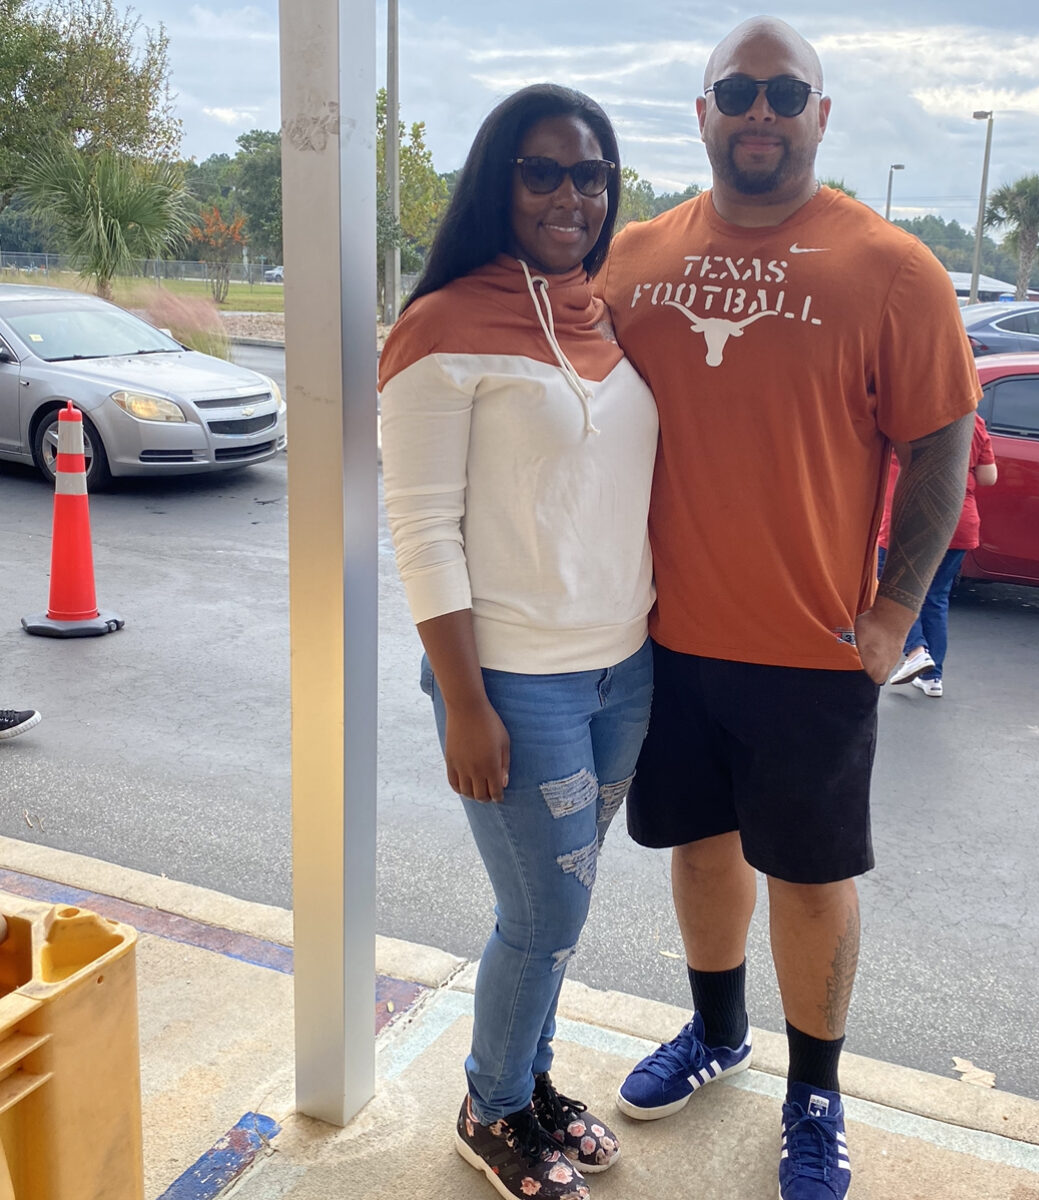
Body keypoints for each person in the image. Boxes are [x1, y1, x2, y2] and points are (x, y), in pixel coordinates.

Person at [597, 17, 979, 1200]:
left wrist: (892, 616)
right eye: (736, 90)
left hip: (813, 654)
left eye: (784, 92)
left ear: (820, 114)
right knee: (701, 854)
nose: (758, 110)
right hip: (661, 641)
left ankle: (816, 1094)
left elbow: (941, 441)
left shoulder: (890, 267)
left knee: (810, 879)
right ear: (702, 113)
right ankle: (717, 1034)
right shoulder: (635, 258)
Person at [378, 85, 658, 1200]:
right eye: (543, 171)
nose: (570, 195)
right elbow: (422, 532)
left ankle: (531, 1083)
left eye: (590, 174)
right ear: (499, 182)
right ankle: (489, 1108)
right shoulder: (442, 326)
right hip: (511, 684)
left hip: (620, 672)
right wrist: (468, 701)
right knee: (542, 915)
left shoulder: (601, 314)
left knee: (566, 909)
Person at [884, 415, 997, 697]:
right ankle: (933, 678)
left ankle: (916, 652)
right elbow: (988, 477)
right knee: (935, 597)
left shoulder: (905, 415)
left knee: (891, 590)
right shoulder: (975, 422)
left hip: (911, 519)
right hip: (958, 521)